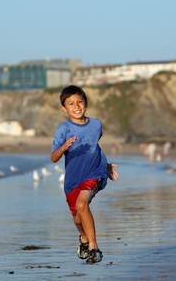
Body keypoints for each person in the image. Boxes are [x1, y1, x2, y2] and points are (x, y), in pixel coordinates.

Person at [50, 85, 119, 264]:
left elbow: (94, 146)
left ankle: (94, 248)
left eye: (80, 101)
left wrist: (105, 165)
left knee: (82, 204)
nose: (77, 106)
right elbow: (53, 158)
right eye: (71, 103)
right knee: (77, 217)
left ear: (86, 103)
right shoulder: (63, 129)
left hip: (94, 173)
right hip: (73, 179)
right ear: (64, 108)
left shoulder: (96, 124)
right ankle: (84, 238)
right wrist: (64, 147)